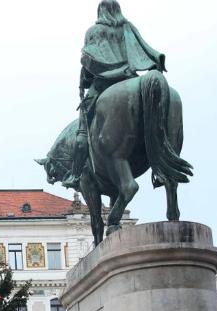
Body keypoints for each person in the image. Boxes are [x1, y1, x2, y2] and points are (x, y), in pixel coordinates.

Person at [64, 0, 166, 189]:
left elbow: (89, 61)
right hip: (130, 79)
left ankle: (75, 174)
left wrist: (84, 78)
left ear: (100, 11)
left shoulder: (93, 32)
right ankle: (159, 170)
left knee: (82, 127)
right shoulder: (129, 28)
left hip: (103, 84)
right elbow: (139, 51)